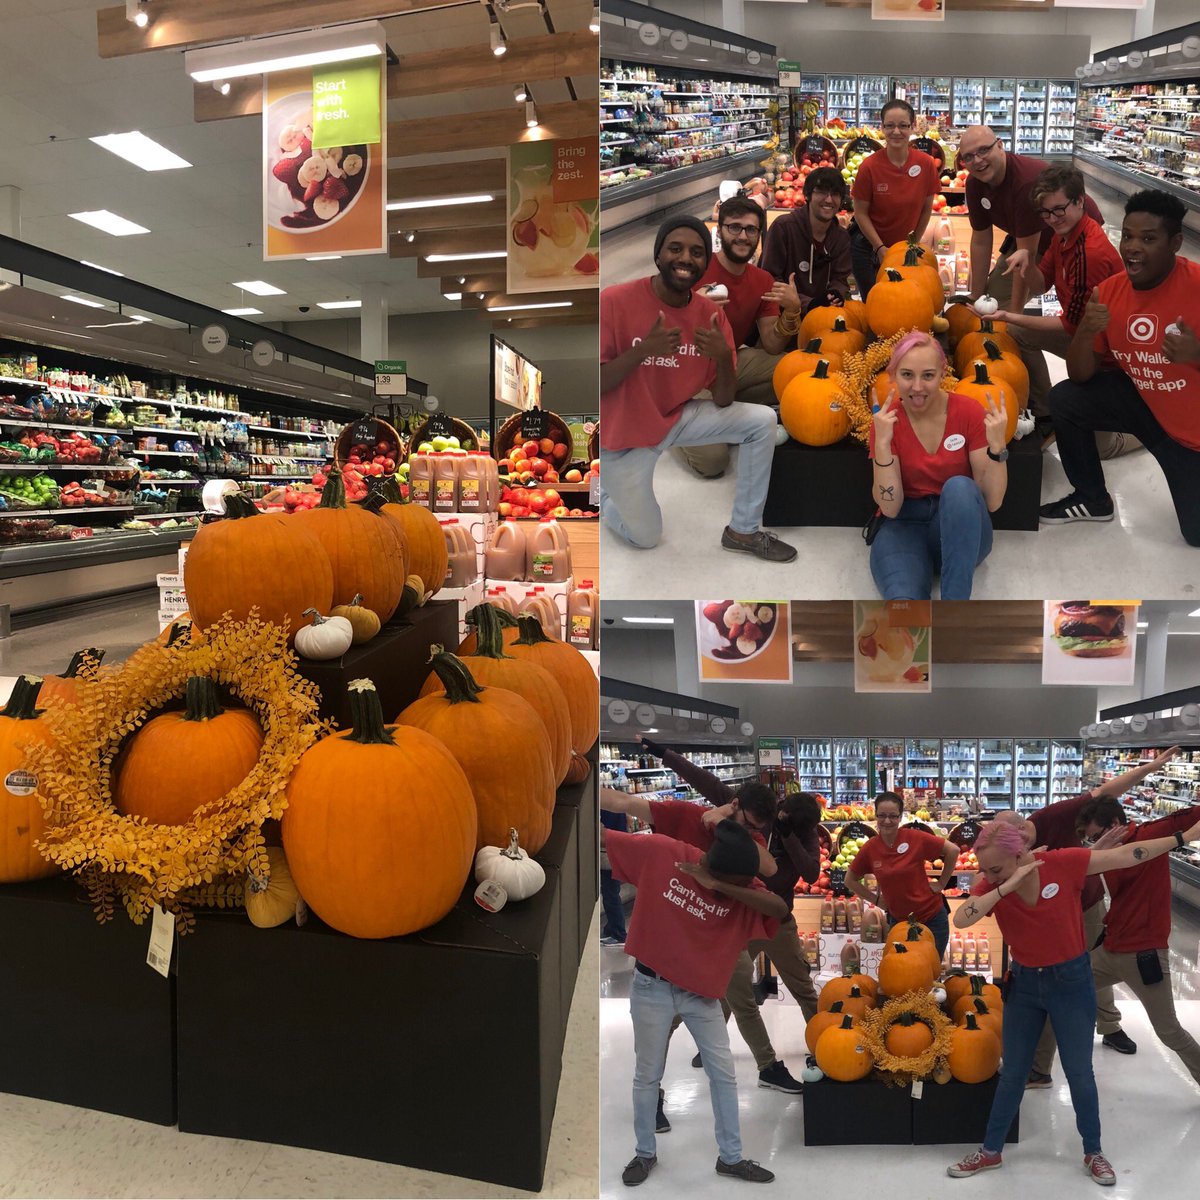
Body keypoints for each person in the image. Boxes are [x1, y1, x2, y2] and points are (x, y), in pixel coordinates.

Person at [946, 811, 1200, 1185]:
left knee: (1080, 1073)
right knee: (1013, 1072)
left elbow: (1129, 854)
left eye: (996, 869)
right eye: (987, 870)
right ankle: (990, 1151)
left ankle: (1093, 1151)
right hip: (1026, 986)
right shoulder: (996, 884)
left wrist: (1181, 839)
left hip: (1071, 982)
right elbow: (962, 919)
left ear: (1021, 853)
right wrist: (1006, 884)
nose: (989, 876)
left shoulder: (1062, 864)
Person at [600, 215, 798, 563]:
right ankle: (607, 498)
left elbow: (722, 400)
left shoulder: (710, 316)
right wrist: (643, 350)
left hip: (678, 417)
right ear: (658, 255)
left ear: (706, 263)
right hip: (626, 437)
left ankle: (744, 530)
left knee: (762, 420)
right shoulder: (614, 301)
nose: (686, 258)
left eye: (696, 252)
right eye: (675, 249)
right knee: (646, 537)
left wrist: (723, 357)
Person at [604, 817, 788, 1186]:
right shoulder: (665, 853)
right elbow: (605, 842)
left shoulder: (740, 885)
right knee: (647, 1075)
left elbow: (779, 909)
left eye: (739, 886)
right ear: (707, 861)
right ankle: (644, 1153)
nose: (732, 892)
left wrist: (720, 886)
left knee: (723, 1075)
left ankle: (731, 1158)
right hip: (650, 986)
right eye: (729, 883)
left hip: (702, 994)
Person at [638, 736, 820, 1090]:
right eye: (775, 818)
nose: (772, 823)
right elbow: (706, 781)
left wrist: (790, 838)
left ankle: (822, 1046)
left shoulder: (804, 832)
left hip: (777, 921)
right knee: (717, 982)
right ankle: (710, 1045)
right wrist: (664, 753)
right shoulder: (758, 811)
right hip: (739, 918)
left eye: (784, 823)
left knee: (802, 987)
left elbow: (811, 873)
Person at [990, 749, 1177, 1085]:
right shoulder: (1011, 849)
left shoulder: (1055, 816)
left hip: (1086, 904)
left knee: (1090, 967)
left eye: (1014, 839)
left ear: (1022, 825)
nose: (1012, 848)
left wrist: (1150, 766)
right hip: (1047, 914)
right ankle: (1040, 1066)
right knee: (1068, 978)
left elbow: (1108, 793)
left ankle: (1110, 1025)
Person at [1038, 189, 1200, 543]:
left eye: (1148, 238)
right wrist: (1086, 330)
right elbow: (1080, 375)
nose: (1132, 247)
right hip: (1145, 405)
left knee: (1196, 535)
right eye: (1127, 236)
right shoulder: (1110, 291)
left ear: (1175, 243)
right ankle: (1092, 499)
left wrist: (1196, 354)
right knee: (1066, 398)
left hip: (1192, 437)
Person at [989, 165, 1131, 455]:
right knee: (1019, 331)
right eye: (1045, 213)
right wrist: (1026, 263)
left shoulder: (1090, 253)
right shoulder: (1063, 235)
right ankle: (1045, 412)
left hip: (1111, 353)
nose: (1052, 219)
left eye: (1058, 210)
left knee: (1101, 448)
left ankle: (1150, 428)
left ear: (1080, 201)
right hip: (1087, 335)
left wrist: (1009, 316)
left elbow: (1071, 327)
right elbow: (1041, 286)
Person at [867, 331, 1008, 601]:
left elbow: (992, 503)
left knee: (959, 488)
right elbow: (890, 507)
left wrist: (997, 448)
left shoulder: (968, 412)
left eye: (928, 376)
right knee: (903, 608)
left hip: (961, 520)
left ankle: (955, 609)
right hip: (905, 524)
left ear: (943, 373)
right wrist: (883, 444)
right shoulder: (887, 423)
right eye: (907, 375)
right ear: (893, 374)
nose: (917, 386)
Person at [1077, 792, 1200, 1090]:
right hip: (1110, 947)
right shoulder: (1105, 851)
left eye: (1097, 836)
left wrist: (1186, 836)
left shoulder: (1151, 834)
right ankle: (1038, 1069)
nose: (1095, 844)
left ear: (1116, 823)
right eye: (1090, 840)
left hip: (1144, 955)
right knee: (1061, 989)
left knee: (1168, 1031)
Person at [677, 196, 806, 479]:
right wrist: (691, 308)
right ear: (719, 230)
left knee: (800, 372)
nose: (743, 236)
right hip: (683, 374)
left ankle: (724, 414)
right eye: (734, 227)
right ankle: (670, 421)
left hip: (728, 364)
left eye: (751, 230)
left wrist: (792, 312)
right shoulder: (691, 269)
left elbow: (772, 345)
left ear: (759, 236)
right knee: (713, 462)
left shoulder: (762, 279)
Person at [956, 126, 1104, 323]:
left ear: (1000, 145)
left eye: (983, 150)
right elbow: (981, 240)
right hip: (1028, 239)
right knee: (992, 302)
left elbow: (1028, 256)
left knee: (1079, 316)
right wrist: (975, 294)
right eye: (968, 157)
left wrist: (1014, 317)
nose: (977, 160)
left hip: (1073, 235)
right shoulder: (975, 184)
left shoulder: (1025, 183)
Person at [843, 790, 959, 959]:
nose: (887, 820)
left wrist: (942, 883)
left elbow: (953, 850)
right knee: (902, 972)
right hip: (899, 922)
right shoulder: (870, 848)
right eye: (882, 815)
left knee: (931, 973)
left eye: (893, 816)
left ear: (900, 817)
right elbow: (850, 880)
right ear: (875, 815)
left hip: (932, 918)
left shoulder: (914, 837)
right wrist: (877, 901)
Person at [850, 99, 939, 299]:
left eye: (903, 125)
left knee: (905, 302)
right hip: (869, 249)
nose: (896, 131)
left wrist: (912, 243)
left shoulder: (926, 164)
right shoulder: (869, 167)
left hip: (903, 250)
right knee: (874, 303)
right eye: (889, 126)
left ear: (913, 127)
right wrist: (880, 248)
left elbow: (926, 209)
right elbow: (861, 213)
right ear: (882, 127)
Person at [760, 166, 853, 312]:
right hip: (784, 317)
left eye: (835, 194)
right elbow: (769, 278)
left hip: (825, 315)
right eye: (822, 192)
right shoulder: (784, 228)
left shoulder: (841, 238)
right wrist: (807, 303)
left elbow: (841, 280)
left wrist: (835, 293)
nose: (829, 199)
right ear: (807, 195)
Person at [601, 808, 629, 946]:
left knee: (610, 895)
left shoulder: (603, 808)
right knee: (611, 893)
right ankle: (611, 928)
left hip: (607, 854)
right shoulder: (617, 808)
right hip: (615, 852)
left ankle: (618, 933)